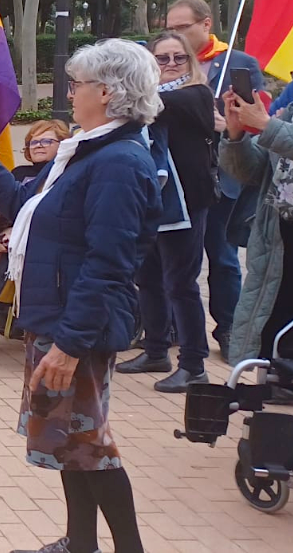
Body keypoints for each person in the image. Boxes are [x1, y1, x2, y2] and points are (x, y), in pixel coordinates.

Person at [0, 38, 158, 553]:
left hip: (77, 327)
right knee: (71, 444)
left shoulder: (118, 162)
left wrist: (69, 344)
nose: (68, 94)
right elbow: (24, 201)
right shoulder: (85, 151)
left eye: (75, 84)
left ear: (106, 92)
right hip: (58, 318)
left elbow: (109, 263)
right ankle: (80, 543)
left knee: (90, 446)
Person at [116, 31, 216, 393]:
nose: (171, 64)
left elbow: (155, 106)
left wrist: (123, 92)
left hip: (186, 205)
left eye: (179, 57)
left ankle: (194, 365)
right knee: (148, 278)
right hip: (150, 203)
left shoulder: (197, 94)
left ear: (190, 61)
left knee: (181, 284)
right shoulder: (146, 99)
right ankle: (156, 350)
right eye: (162, 58)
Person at [165, 0, 264, 358]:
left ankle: (229, 330)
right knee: (173, 260)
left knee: (221, 258)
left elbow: (258, 121)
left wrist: (228, 126)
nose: (175, 34)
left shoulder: (237, 63)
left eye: (182, 27)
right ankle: (170, 328)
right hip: (178, 174)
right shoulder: (165, 62)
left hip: (222, 176)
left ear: (206, 24)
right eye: (170, 28)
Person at [221, 40, 293, 366]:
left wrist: (269, 126)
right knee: (276, 326)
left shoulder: (279, 121)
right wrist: (235, 135)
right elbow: (251, 172)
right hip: (280, 239)